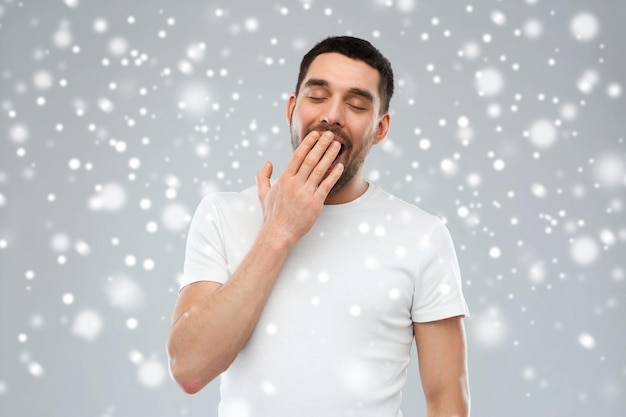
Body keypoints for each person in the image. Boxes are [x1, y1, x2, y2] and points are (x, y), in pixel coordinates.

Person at [167, 36, 470, 417]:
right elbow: (189, 369)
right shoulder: (222, 214)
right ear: (292, 108)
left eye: (357, 104)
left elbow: (448, 400)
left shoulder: (422, 236)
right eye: (317, 96)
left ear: (380, 128)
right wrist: (279, 231)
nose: (333, 115)